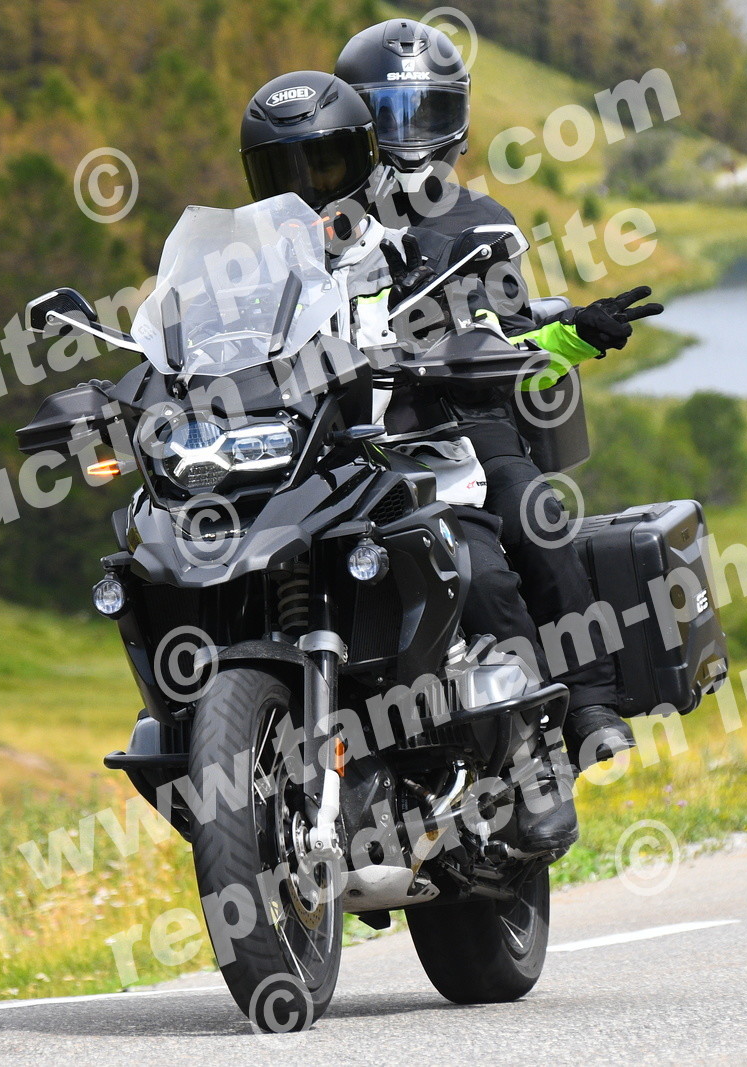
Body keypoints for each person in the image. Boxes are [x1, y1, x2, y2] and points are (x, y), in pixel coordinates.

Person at [240, 70, 577, 855]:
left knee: (481, 572)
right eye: (283, 170)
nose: (308, 187)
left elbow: (484, 321)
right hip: (304, 465)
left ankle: (535, 757)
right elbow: (205, 343)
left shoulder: (405, 245)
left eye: (324, 164)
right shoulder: (250, 265)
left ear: (362, 158)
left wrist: (478, 342)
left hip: (412, 450)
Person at [336, 19, 664, 770]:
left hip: (464, 425)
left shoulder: (483, 222)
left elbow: (516, 345)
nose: (405, 134)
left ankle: (579, 707)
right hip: (347, 437)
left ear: (454, 122)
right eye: (385, 113)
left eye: (422, 112)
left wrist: (577, 334)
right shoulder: (320, 228)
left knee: (528, 526)